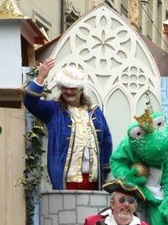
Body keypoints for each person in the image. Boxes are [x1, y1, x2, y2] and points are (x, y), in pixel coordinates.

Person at [23, 57, 112, 190]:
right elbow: (30, 103)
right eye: (65, 88)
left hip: (94, 181)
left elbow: (106, 141)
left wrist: (105, 170)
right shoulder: (54, 110)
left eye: (73, 88)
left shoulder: (95, 112)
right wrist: (41, 76)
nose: (69, 91)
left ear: (81, 89)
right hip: (66, 181)